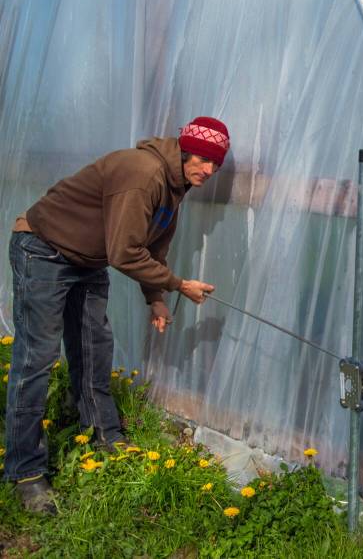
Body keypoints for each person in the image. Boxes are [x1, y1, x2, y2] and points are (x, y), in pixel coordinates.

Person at [3, 116, 230, 514]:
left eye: (217, 164)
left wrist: (155, 298)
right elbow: (125, 253)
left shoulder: (176, 185)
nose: (209, 170)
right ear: (185, 148)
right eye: (204, 159)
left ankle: (104, 435)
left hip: (87, 259)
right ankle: (25, 472)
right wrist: (179, 285)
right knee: (36, 359)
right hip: (43, 249)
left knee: (94, 348)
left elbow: (151, 246)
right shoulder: (143, 174)